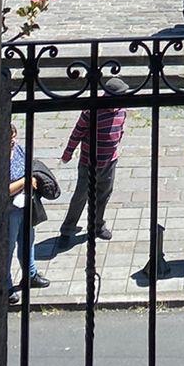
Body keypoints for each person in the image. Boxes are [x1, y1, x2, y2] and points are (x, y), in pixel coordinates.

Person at [57, 75, 130, 245]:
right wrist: (68, 153)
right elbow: (77, 133)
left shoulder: (122, 111)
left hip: (110, 161)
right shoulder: (91, 112)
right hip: (89, 162)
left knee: (104, 194)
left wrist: (116, 146)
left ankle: (98, 225)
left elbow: (120, 130)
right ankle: (67, 229)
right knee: (81, 195)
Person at [7, 123, 48, 304]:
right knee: (7, 248)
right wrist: (25, 181)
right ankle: (5, 285)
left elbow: (30, 168)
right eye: (10, 138)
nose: (13, 141)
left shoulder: (19, 150)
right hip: (9, 210)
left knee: (28, 241)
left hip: (25, 204)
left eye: (14, 136)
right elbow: (5, 189)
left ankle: (30, 275)